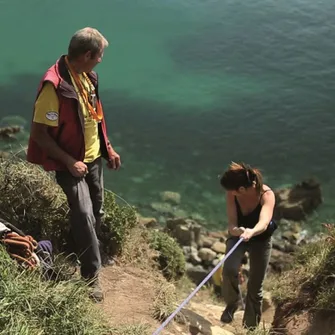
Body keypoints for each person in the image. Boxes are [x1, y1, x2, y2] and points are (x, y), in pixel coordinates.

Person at [26, 27, 121, 302]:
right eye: (99, 55)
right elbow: (39, 134)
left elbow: (95, 117)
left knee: (97, 211)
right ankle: (91, 277)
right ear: (88, 54)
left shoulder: (88, 76)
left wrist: (108, 148)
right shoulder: (53, 86)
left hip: (92, 160)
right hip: (70, 164)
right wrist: (69, 162)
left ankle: (81, 247)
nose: (101, 60)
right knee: (84, 214)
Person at [219, 162, 277, 329]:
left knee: (255, 285)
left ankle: (250, 327)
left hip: (261, 239)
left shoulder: (267, 195)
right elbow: (231, 224)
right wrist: (237, 230)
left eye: (231, 189)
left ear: (242, 190)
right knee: (229, 269)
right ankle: (232, 305)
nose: (229, 193)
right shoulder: (232, 195)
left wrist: (251, 232)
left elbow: (264, 222)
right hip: (239, 236)